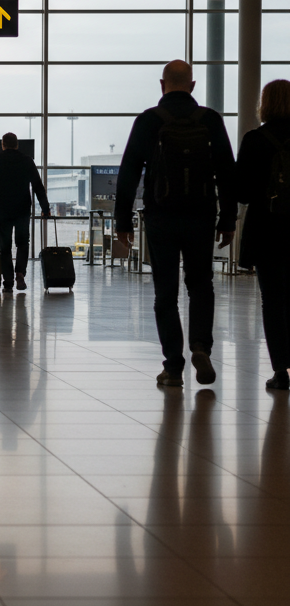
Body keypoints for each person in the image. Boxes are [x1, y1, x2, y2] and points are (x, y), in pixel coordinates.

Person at [115, 60, 237, 388]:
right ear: (193, 86)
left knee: (165, 292)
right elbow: (227, 173)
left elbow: (127, 174)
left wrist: (122, 221)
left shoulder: (148, 120)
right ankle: (200, 346)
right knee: (201, 285)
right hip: (201, 216)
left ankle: (173, 367)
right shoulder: (210, 120)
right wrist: (228, 220)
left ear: (162, 84)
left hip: (160, 217)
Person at [235, 78, 290, 390]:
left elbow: (242, 192)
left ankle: (281, 369)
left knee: (273, 299)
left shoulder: (255, 140)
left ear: (265, 103)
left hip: (267, 230)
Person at [0, 132, 51, 292]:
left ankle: (8, 280)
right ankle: (20, 273)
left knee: (5, 247)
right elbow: (38, 186)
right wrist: (45, 208)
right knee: (23, 243)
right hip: (22, 209)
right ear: (17, 145)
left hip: (3, 211)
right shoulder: (27, 161)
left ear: (3, 145)